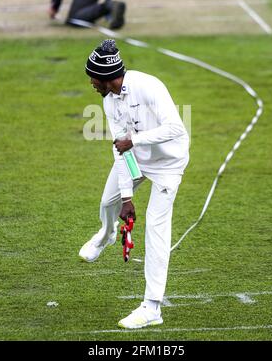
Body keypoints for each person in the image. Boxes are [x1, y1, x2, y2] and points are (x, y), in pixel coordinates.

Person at [80, 39, 190, 329]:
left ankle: (152, 308)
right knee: (108, 203)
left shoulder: (148, 86)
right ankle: (107, 235)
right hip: (136, 158)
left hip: (169, 164)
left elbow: (176, 128)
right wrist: (127, 198)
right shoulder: (108, 101)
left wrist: (134, 140)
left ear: (106, 77)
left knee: (156, 228)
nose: (91, 82)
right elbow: (121, 149)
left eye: (93, 76)